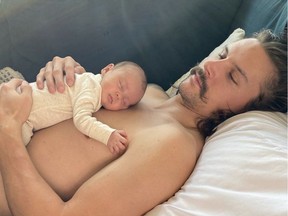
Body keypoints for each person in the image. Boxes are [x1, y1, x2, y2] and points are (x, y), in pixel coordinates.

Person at [0, 29, 286, 216]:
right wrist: (64, 75)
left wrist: (8, 129)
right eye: (223, 56)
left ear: (246, 112)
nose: (212, 66)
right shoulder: (149, 92)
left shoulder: (173, 146)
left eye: (233, 76)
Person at [20, 61, 147, 154]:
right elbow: (81, 119)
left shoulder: (89, 84)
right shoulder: (92, 88)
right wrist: (108, 135)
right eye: (120, 85)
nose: (119, 95)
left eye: (125, 102)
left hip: (23, 108)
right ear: (107, 69)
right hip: (23, 113)